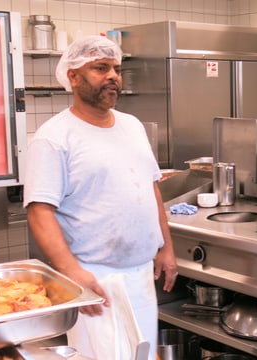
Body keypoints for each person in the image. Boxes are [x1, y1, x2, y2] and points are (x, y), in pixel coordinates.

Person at [23, 35, 178, 360]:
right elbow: (40, 211)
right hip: (93, 276)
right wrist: (73, 273)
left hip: (140, 273)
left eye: (116, 69)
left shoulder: (132, 126)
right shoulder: (54, 137)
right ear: (73, 76)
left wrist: (166, 247)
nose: (113, 76)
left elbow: (151, 188)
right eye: (100, 68)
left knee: (141, 353)